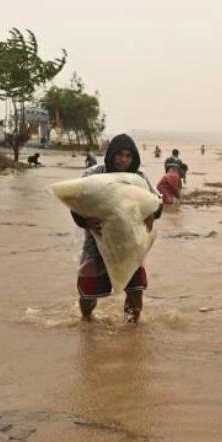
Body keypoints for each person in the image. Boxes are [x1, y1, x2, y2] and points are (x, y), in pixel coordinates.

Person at [70, 133, 163, 323]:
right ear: (111, 154)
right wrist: (86, 221)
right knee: (89, 294)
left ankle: (132, 333)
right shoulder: (92, 175)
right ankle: (87, 325)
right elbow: (75, 204)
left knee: (135, 291)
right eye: (119, 154)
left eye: (128, 155)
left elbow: (157, 201)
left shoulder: (139, 177)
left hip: (130, 245)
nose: (123, 160)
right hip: (96, 243)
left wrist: (152, 212)